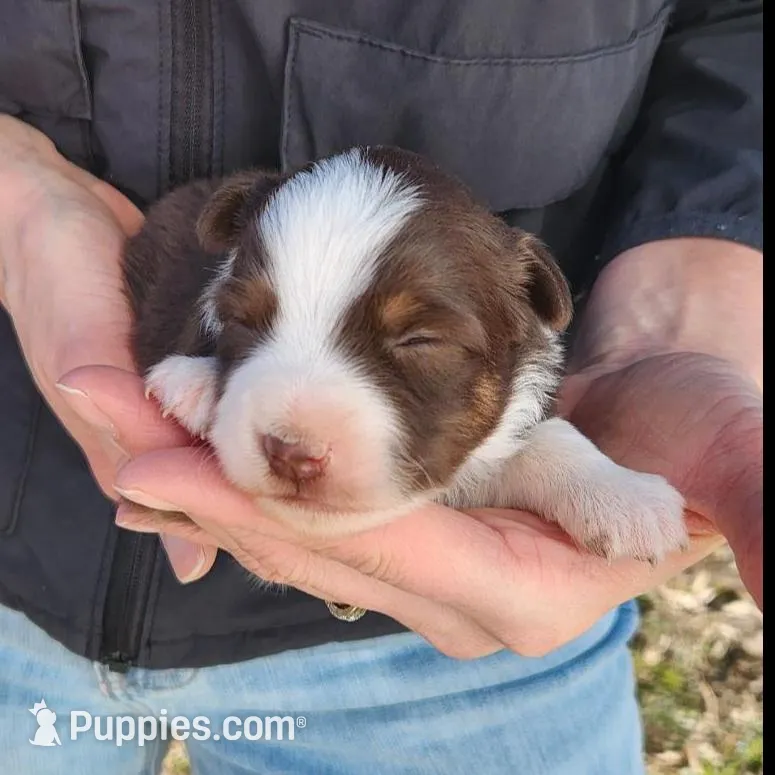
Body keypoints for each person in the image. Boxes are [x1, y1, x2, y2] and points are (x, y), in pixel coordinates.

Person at [0, 2, 761, 773]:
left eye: (418, 340)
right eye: (248, 326)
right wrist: (19, 199)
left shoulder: (512, 342)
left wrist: (689, 301)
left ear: (535, 312)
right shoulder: (213, 256)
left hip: (456, 650)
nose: (295, 435)